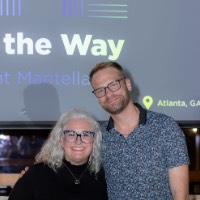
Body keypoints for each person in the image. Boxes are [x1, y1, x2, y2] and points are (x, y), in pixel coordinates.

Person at [89, 61, 190, 200]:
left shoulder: (165, 127)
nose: (108, 94)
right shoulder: (99, 137)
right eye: (100, 90)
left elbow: (181, 194)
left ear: (128, 84)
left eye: (113, 84)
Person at [8, 109, 108, 200]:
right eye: (71, 134)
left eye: (86, 134)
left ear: (94, 140)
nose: (78, 141)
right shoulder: (37, 174)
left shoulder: (106, 177)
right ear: (61, 139)